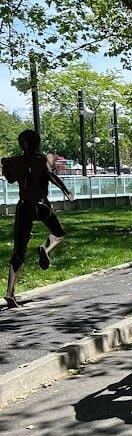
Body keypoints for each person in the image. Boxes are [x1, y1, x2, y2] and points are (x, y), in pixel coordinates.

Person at [1, 129, 75, 308]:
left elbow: (9, 178)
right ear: (37, 143)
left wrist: (6, 165)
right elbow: (52, 177)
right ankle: (45, 248)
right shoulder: (42, 160)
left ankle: (10, 293)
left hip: (24, 206)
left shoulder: (15, 161)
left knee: (19, 250)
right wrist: (67, 192)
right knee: (59, 234)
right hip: (42, 206)